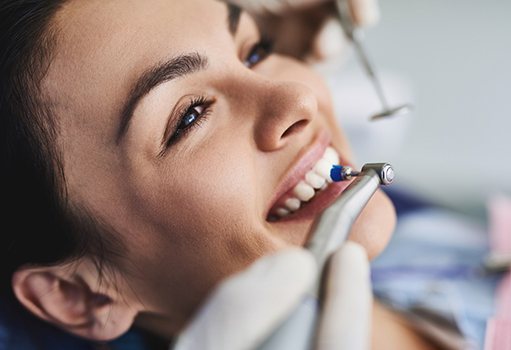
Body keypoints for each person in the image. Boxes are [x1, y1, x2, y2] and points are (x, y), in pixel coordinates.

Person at [0, 0, 417, 349]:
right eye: (190, 117)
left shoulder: (430, 234)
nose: (299, 96)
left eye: (255, 51)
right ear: (79, 295)